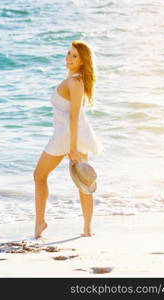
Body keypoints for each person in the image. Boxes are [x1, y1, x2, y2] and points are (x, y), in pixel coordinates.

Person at [33, 40, 102, 239]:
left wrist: (72, 147)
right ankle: (86, 228)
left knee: (39, 176)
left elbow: (74, 116)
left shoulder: (75, 82)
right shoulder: (72, 80)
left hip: (67, 137)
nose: (69, 58)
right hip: (71, 135)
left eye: (75, 56)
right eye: (68, 54)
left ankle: (40, 223)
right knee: (82, 181)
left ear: (82, 61)